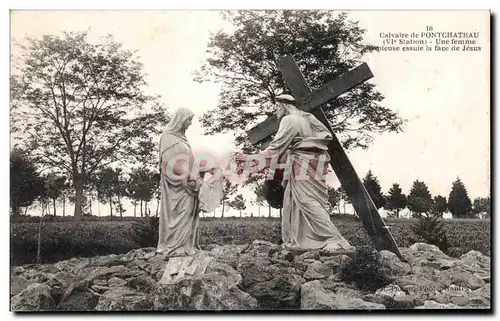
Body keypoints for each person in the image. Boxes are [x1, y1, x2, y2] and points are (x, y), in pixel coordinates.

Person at [236, 95, 354, 252]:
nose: (276, 110)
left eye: (277, 106)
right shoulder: (307, 118)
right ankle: (304, 239)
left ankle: (333, 238)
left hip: (303, 162)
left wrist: (249, 158)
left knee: (305, 199)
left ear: (284, 105)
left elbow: (276, 149)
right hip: (312, 161)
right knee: (298, 199)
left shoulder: (289, 120)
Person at [156, 107, 222, 256]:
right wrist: (190, 175)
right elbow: (168, 162)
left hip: (188, 184)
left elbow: (190, 163)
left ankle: (187, 246)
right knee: (180, 213)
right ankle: (174, 246)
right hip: (177, 186)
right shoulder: (167, 137)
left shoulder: (183, 139)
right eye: (189, 120)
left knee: (188, 214)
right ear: (180, 120)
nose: (190, 123)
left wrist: (207, 168)